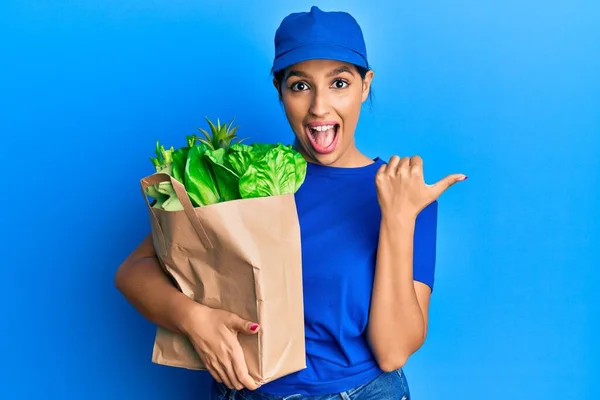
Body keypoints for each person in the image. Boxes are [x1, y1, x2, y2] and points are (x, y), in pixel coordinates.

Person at [115, 5, 466, 400]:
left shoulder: (402, 193)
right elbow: (133, 271)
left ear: (365, 86)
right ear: (280, 91)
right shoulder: (248, 177)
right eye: (300, 85)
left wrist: (398, 219)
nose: (319, 107)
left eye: (339, 83)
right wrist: (195, 319)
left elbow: (393, 351)